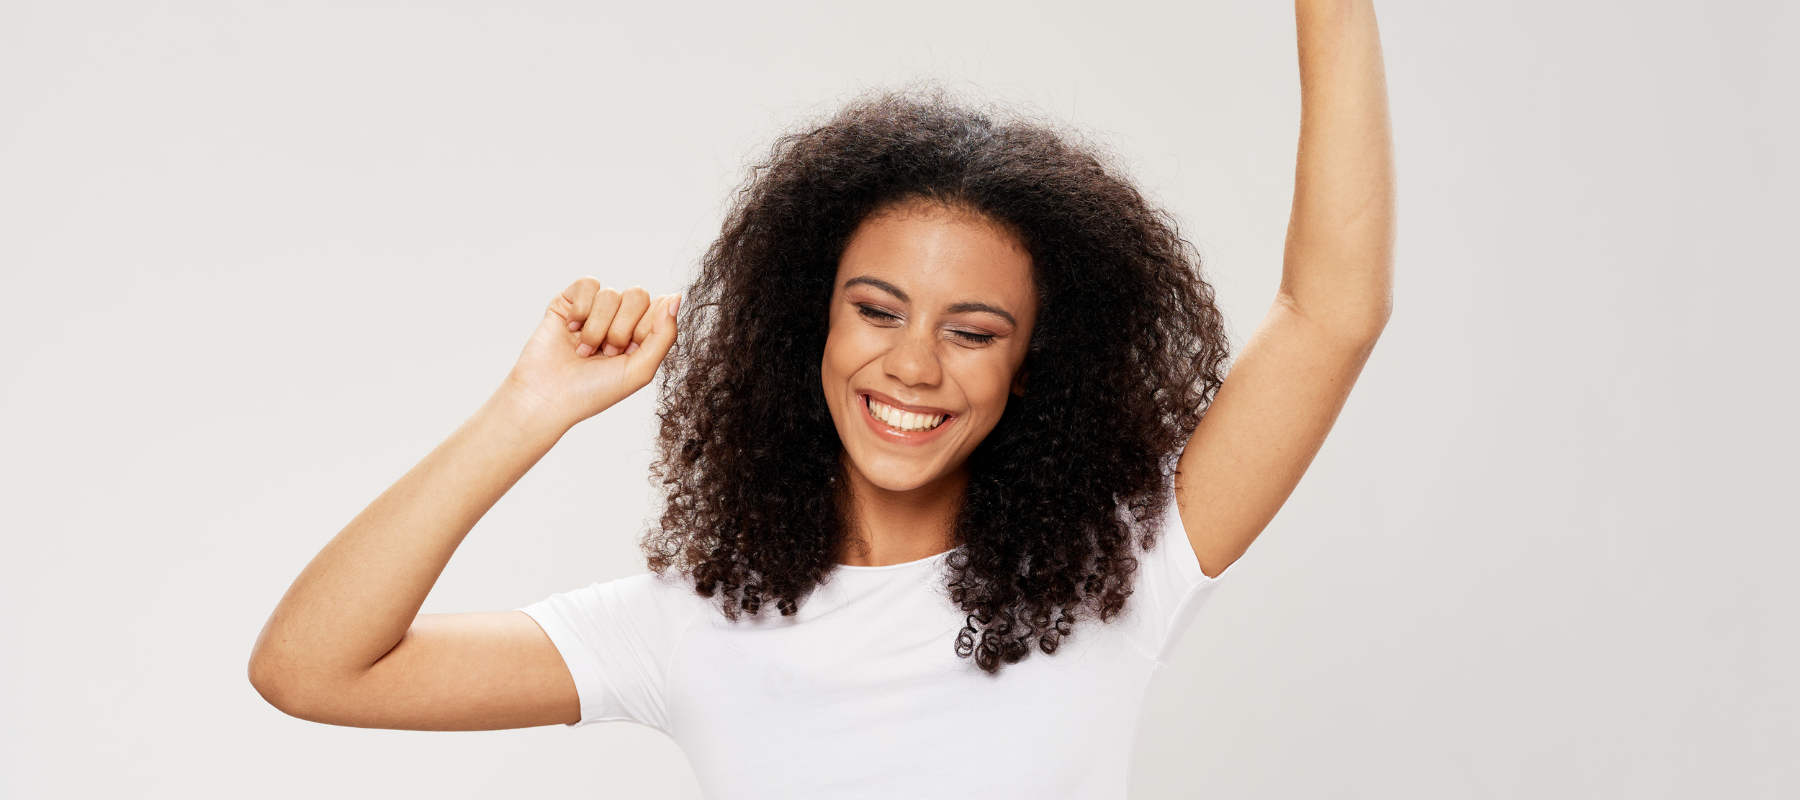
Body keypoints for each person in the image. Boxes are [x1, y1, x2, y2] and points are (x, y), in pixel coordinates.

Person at [248, 1, 1393, 796]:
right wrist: (527, 409)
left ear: (1032, 367)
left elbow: (1330, 311)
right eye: (878, 310)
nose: (913, 365)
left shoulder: (1125, 563)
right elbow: (311, 667)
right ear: (815, 323)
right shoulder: (688, 620)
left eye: (974, 330)